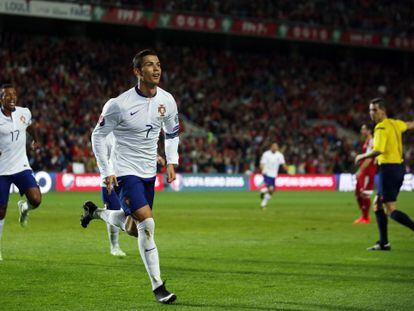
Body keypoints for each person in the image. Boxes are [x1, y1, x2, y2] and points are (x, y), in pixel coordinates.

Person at [81, 49, 179, 303]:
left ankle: (96, 213)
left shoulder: (167, 100)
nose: (156, 69)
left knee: (134, 229)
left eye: (158, 64)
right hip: (125, 171)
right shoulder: (119, 104)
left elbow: (171, 132)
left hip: (149, 172)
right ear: (137, 72)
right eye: (149, 65)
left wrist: (171, 161)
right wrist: (107, 171)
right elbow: (98, 136)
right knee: (148, 223)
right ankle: (159, 287)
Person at [355, 98, 414, 251]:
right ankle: (384, 242)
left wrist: (361, 157)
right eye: (370, 110)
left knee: (391, 210)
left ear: (382, 110)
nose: (371, 113)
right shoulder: (395, 123)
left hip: (388, 169)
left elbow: (378, 150)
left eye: (374, 110)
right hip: (398, 168)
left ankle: (387, 240)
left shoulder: (380, 128)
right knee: (377, 205)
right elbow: (409, 125)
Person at [0, 84, 42, 261]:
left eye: (14, 95)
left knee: (36, 199)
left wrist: (35, 140)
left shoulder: (24, 112)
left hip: (20, 165)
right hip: (1, 170)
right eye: (7, 95)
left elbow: (30, 126)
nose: (12, 98)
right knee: (1, 211)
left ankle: (24, 208)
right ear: (1, 98)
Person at [354, 124, 377, 224]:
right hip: (365, 171)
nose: (361, 131)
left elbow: (369, 158)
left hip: (368, 171)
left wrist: (360, 170)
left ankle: (366, 218)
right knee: (358, 193)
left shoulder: (372, 141)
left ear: (369, 130)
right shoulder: (367, 141)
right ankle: (363, 216)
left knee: (365, 194)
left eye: (363, 129)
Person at [259, 143, 288, 209]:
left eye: (276, 146)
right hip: (266, 173)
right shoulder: (266, 154)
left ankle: (263, 192)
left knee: (271, 191)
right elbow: (262, 163)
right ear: (271, 147)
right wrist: (262, 170)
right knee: (271, 189)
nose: (275, 148)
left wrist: (286, 168)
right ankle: (263, 204)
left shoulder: (280, 155)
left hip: (274, 175)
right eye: (274, 146)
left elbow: (283, 164)